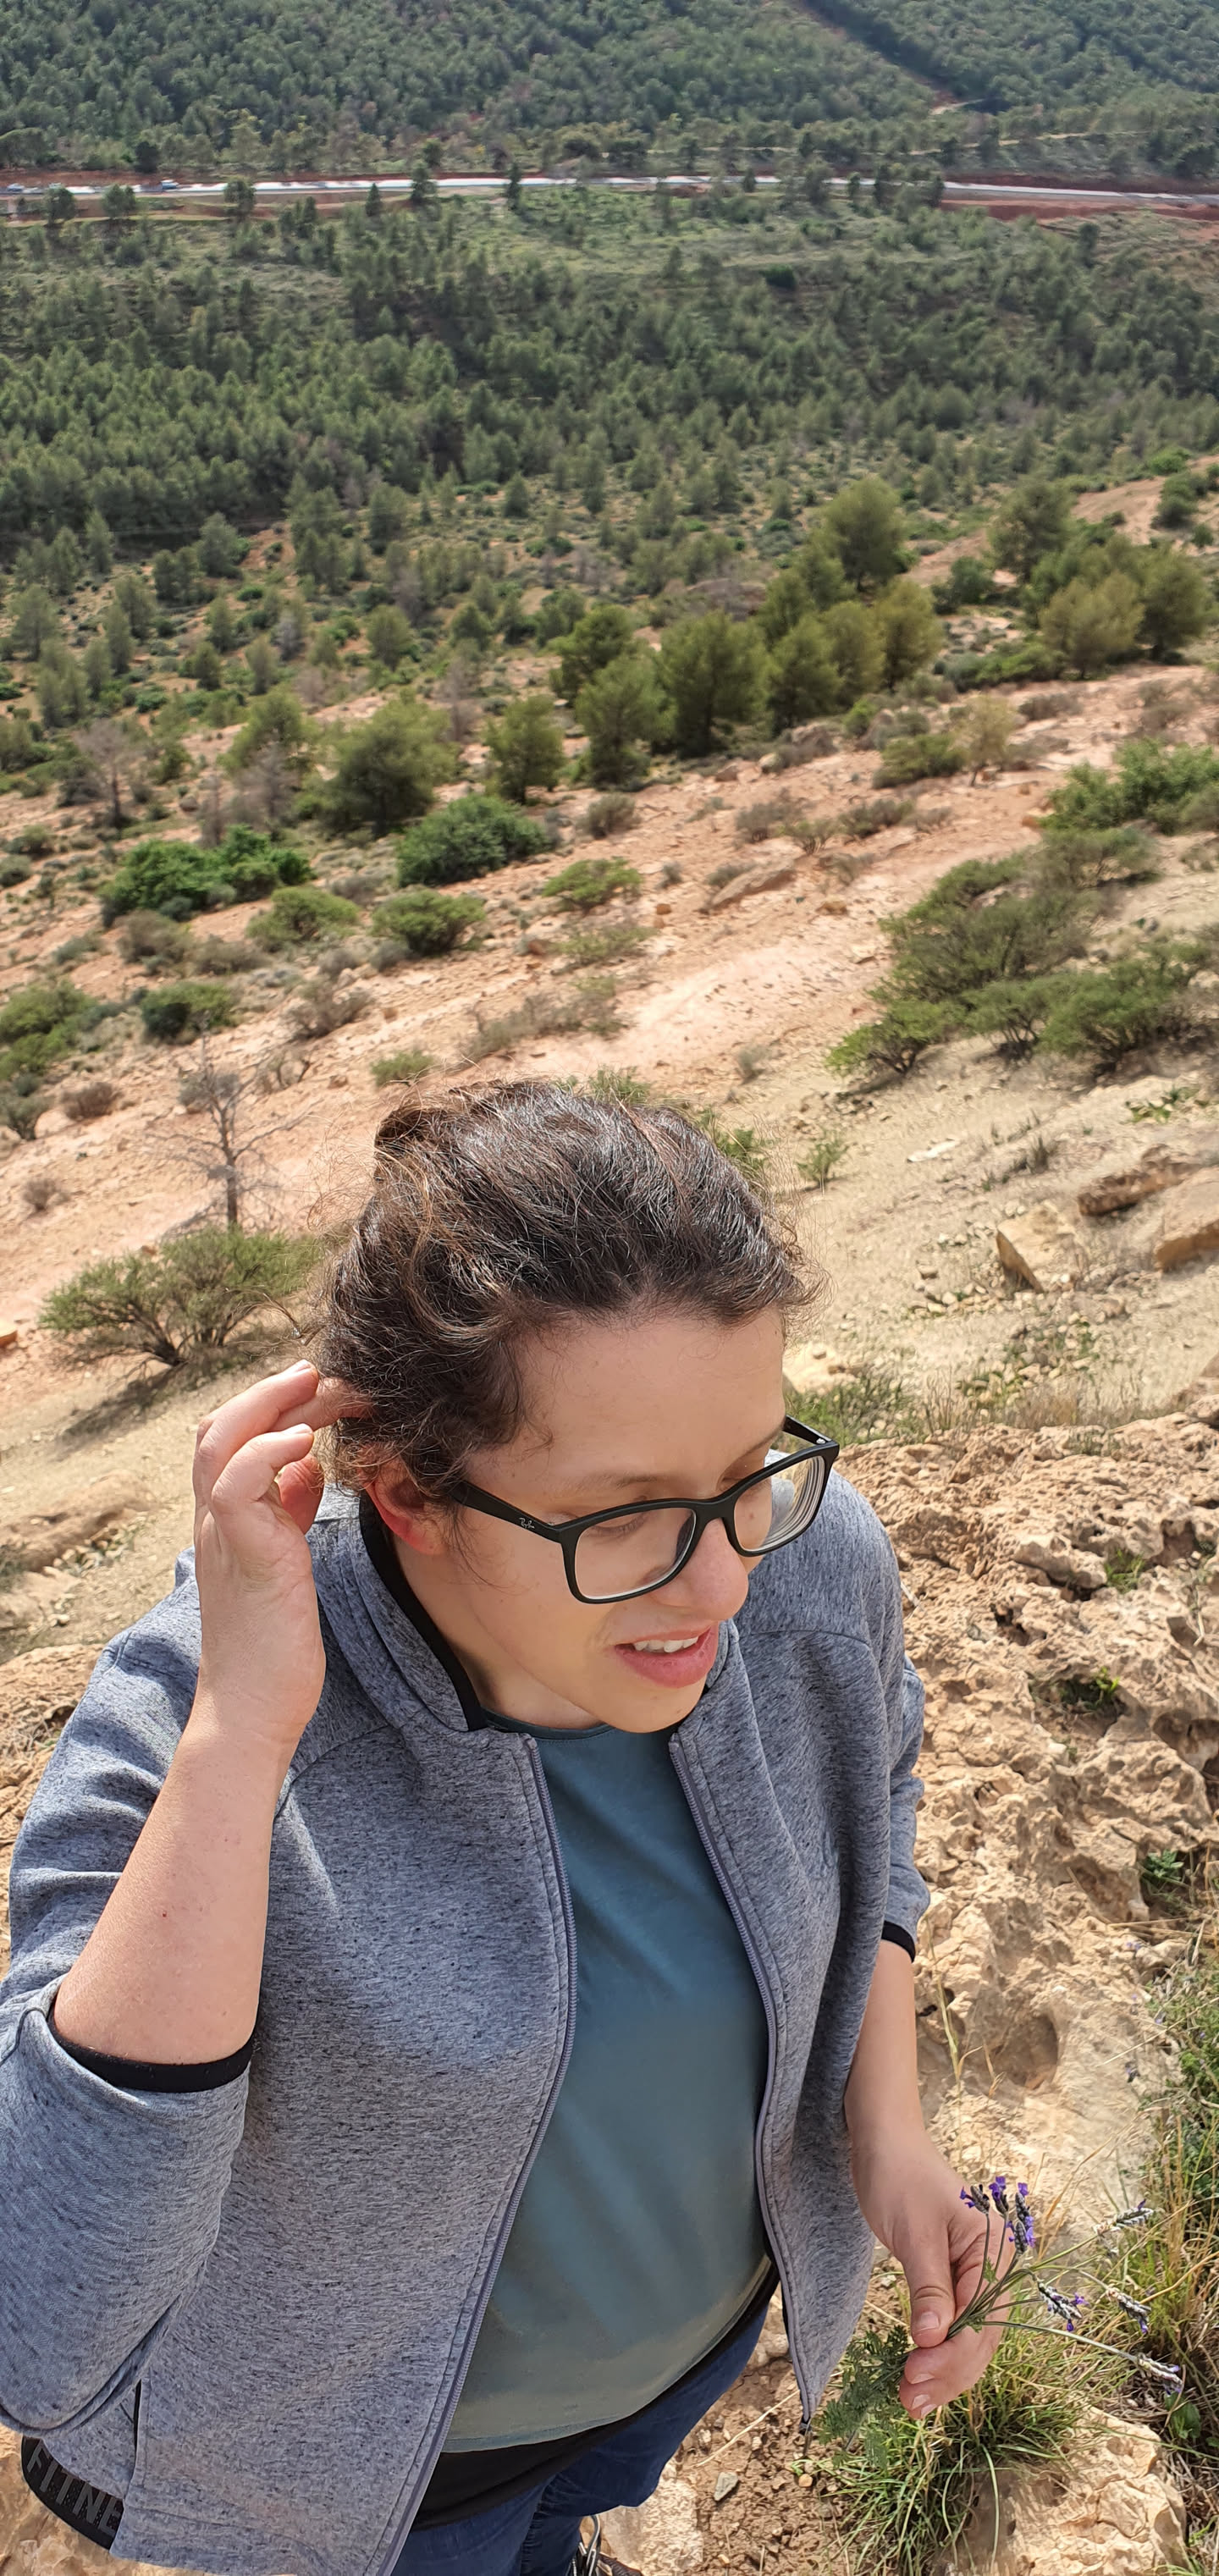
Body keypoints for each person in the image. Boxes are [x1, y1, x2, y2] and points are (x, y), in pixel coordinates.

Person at [0, 1082, 1000, 2576]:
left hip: (669, 2371)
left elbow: (878, 1808)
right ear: (409, 1493)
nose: (722, 1584)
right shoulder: (199, 1707)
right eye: (624, 1514)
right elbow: (42, 2315)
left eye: (746, 1471)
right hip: (374, 2486)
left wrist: (888, 2132)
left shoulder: (803, 1560)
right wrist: (243, 1738)